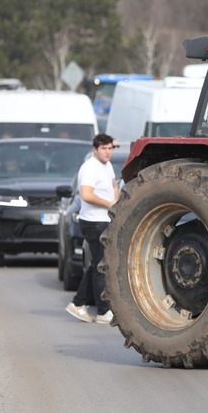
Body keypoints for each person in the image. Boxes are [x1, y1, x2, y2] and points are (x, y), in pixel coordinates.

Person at [65, 133, 119, 325]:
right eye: (104, 148)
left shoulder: (108, 165)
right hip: (93, 221)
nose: (107, 152)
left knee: (98, 264)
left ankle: (78, 303)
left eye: (110, 148)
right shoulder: (89, 167)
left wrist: (116, 202)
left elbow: (114, 187)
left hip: (105, 220)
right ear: (95, 149)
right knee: (100, 266)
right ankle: (104, 311)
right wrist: (109, 204)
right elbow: (86, 195)